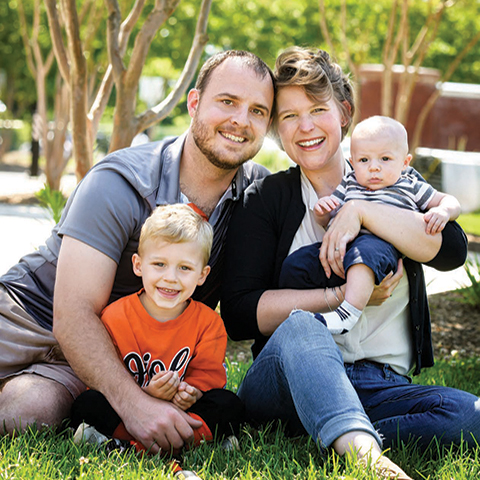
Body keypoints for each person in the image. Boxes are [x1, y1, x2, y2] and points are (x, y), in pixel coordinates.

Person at [221, 46, 479, 480]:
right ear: (276, 130)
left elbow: (452, 249)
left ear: (344, 112)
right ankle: (365, 458)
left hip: (378, 384)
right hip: (287, 380)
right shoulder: (266, 199)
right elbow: (241, 313)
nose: (305, 128)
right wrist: (337, 296)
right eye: (288, 116)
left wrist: (362, 212)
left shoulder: (391, 179)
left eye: (317, 109)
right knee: (303, 323)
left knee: (471, 416)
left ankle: (330, 432)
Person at [0, 49, 274, 453]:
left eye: (258, 110)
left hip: (107, 351)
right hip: (28, 312)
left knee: (27, 413)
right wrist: (135, 406)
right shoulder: (121, 180)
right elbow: (73, 313)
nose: (240, 120)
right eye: (228, 102)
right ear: (195, 103)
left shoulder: (258, 198)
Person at [71, 204, 243, 475]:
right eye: (159, 264)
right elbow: (108, 378)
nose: (170, 278)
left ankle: (127, 445)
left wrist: (189, 393)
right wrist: (146, 396)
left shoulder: (209, 323)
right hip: (132, 407)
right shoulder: (115, 316)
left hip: (184, 410)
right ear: (139, 265)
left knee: (229, 405)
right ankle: (183, 444)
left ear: (202, 275)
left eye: (185, 268)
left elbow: (207, 378)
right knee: (87, 405)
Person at [279, 115, 461, 335]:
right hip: (344, 247)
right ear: (353, 162)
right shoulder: (350, 182)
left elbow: (449, 201)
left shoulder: (409, 184)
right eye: (364, 160)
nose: (374, 168)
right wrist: (323, 210)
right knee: (295, 264)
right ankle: (296, 318)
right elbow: (331, 218)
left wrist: (443, 211)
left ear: (404, 163)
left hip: (380, 245)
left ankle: (348, 314)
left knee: (364, 254)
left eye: (385, 159)